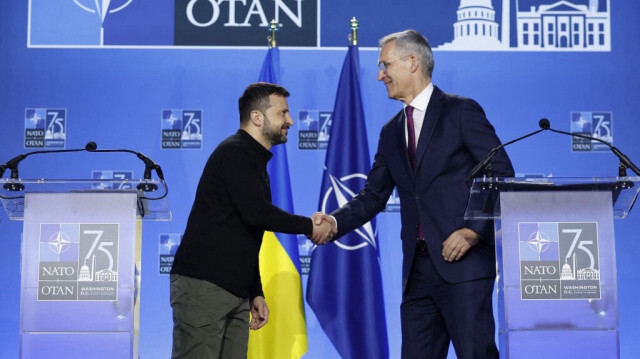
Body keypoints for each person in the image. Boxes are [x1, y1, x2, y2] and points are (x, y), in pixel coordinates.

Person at [314, 30, 514, 358]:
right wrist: (334, 223)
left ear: (412, 62)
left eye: (384, 65)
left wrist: (473, 231)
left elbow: (500, 173)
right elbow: (373, 196)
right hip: (417, 273)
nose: (380, 75)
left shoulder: (460, 111)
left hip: (463, 264)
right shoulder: (391, 131)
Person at [170, 82, 335, 359]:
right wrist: (310, 226)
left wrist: (255, 291)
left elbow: (248, 230)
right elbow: (256, 213)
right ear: (257, 117)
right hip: (204, 286)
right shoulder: (235, 153)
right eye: (283, 113)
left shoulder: (254, 161)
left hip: (234, 290)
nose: (291, 121)